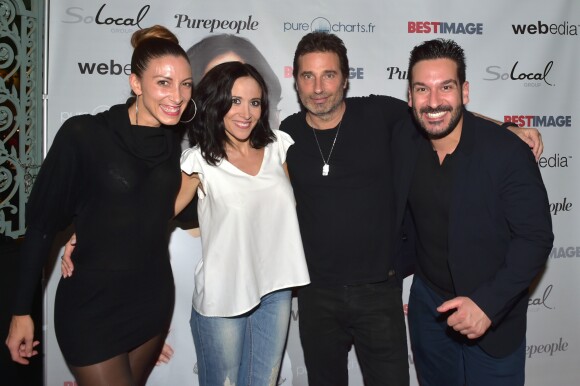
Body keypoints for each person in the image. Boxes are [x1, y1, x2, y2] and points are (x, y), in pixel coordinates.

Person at [280, 32, 544, 386]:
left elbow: (438, 112)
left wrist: (507, 127)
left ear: (345, 78)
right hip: (320, 296)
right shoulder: (287, 134)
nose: (318, 87)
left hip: (380, 293)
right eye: (307, 76)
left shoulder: (378, 114)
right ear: (295, 81)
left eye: (328, 74)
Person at [5, 25, 196, 386]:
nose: (178, 96)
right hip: (92, 307)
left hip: (151, 302)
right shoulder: (84, 135)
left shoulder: (172, 143)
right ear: (135, 83)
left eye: (186, 84)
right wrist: (21, 312)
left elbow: (150, 209)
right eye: (164, 83)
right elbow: (42, 226)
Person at [392, 38, 553, 386]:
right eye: (422, 89)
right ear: (409, 97)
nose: (433, 101)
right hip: (429, 308)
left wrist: (487, 305)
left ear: (464, 91)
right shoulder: (404, 137)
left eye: (445, 87)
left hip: (492, 319)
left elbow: (535, 238)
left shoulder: (507, 153)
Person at [176, 61, 310, 386]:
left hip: (276, 289)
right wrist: (90, 230)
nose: (246, 112)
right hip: (223, 294)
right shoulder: (199, 161)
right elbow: (154, 214)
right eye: (235, 101)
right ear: (216, 102)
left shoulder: (279, 146)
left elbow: (300, 206)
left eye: (254, 102)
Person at [186, 34, 282, 129]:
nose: (230, 86)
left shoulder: (280, 141)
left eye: (240, 74)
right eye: (217, 79)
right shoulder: (176, 141)